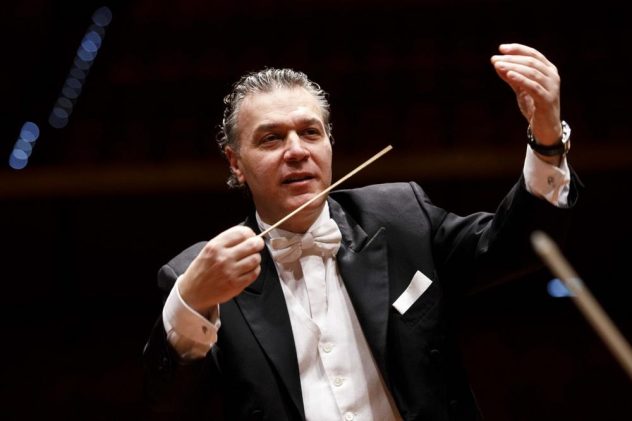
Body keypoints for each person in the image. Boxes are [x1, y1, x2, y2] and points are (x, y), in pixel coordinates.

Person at [143, 43, 580, 420]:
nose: (296, 150)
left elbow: (519, 248)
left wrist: (547, 140)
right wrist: (191, 302)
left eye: (310, 132)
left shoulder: (401, 217)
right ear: (235, 162)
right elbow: (168, 407)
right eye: (271, 139)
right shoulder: (199, 275)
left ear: (329, 143)